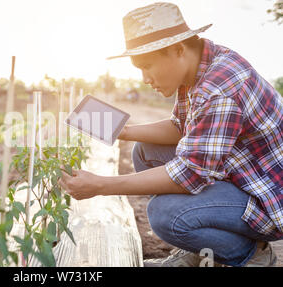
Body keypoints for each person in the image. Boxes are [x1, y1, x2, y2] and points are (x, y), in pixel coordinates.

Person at [58, 2, 282, 267]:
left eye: (147, 66)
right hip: (242, 176)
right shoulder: (200, 65)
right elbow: (181, 128)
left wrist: (101, 185)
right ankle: (200, 248)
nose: (144, 78)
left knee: (165, 215)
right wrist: (123, 131)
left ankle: (251, 255)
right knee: (145, 150)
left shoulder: (220, 88)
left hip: (269, 200)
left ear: (178, 49)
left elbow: (191, 174)